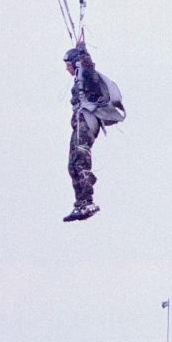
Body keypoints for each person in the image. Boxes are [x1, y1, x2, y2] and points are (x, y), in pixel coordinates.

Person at [62, 41, 124, 221]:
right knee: (72, 164)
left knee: (80, 159)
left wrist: (83, 53)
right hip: (79, 123)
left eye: (68, 65)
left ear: (76, 64)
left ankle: (88, 201)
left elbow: (89, 68)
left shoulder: (88, 75)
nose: (67, 69)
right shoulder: (80, 80)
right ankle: (80, 203)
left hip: (87, 122)